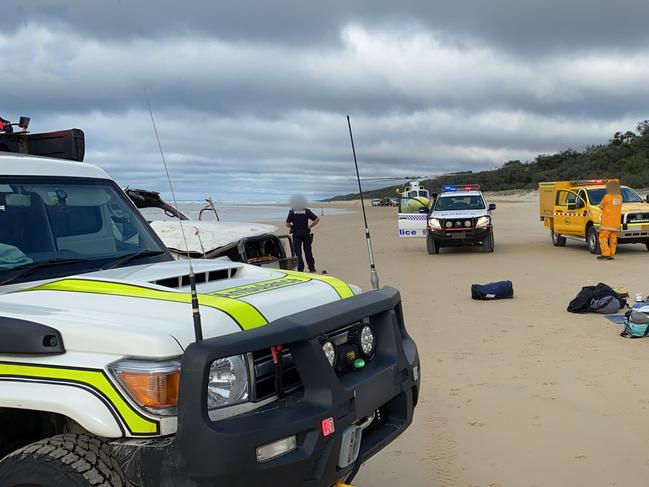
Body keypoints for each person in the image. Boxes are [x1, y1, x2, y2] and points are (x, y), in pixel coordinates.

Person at [286, 194, 320, 272]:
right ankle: (311, 268)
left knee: (298, 252)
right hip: (305, 233)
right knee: (308, 251)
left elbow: (287, 223)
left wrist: (292, 227)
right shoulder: (306, 211)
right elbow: (317, 219)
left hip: (296, 233)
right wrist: (310, 227)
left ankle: (300, 269)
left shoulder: (292, 212)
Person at [597, 181, 623, 260]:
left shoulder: (607, 196)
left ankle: (605, 253)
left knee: (603, 238)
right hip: (616, 222)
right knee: (613, 239)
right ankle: (612, 254)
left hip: (607, 222)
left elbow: (601, 206)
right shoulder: (620, 197)